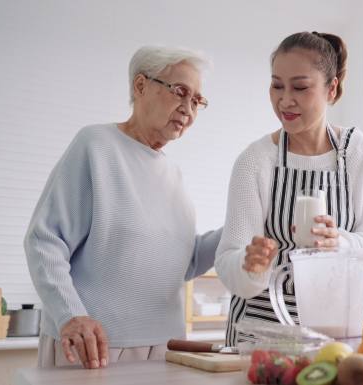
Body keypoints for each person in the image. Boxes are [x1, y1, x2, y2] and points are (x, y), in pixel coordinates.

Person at [24, 46, 221, 369]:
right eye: (180, 92)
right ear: (140, 86)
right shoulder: (96, 146)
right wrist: (71, 316)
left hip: (164, 348)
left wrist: (247, 223)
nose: (188, 108)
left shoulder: (173, 174)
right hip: (92, 347)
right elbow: (44, 242)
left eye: (197, 101)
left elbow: (184, 263)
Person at [215, 32, 363, 346]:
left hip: (340, 334)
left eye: (300, 87)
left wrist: (337, 241)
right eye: (276, 85)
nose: (285, 100)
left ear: (331, 88)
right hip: (261, 338)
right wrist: (250, 264)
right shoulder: (255, 161)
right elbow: (228, 259)